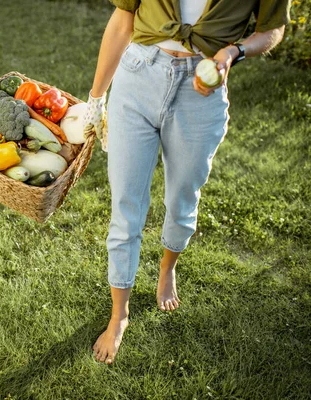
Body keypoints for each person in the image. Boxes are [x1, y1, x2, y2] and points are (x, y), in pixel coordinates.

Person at [83, 0, 290, 364]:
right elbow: (123, 20)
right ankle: (119, 315)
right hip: (138, 75)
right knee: (125, 210)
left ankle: (167, 269)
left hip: (201, 91)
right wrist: (96, 98)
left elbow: (272, 29)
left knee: (182, 202)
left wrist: (234, 51)